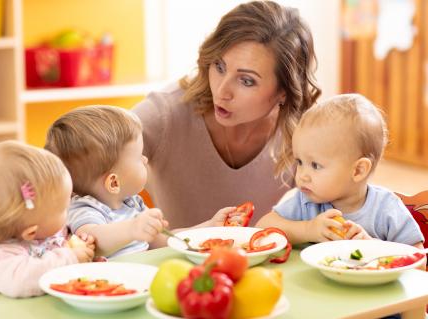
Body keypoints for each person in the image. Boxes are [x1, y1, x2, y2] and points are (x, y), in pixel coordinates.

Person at [133, 0, 321, 228]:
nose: (221, 92)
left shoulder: (304, 132)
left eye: (246, 81)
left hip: (257, 261)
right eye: (219, 67)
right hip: (171, 262)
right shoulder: (165, 113)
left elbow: (343, 203)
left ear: (283, 91)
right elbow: (89, 157)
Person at [45, 105, 234, 256]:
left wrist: (206, 228)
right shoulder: (84, 209)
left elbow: (160, 241)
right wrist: (133, 228)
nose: (145, 159)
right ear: (114, 183)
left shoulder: (131, 202)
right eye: (138, 156)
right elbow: (93, 241)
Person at [255, 94, 424, 248]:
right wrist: (307, 229)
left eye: (315, 165)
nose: (302, 175)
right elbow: (262, 227)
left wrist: (372, 246)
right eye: (300, 162)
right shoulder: (305, 202)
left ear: (358, 170)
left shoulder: (387, 208)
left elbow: (418, 259)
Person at [0, 141, 95, 298]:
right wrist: (70, 257)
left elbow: (51, 247)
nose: (69, 212)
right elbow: (21, 282)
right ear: (30, 232)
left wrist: (75, 244)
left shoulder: (39, 231)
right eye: (63, 209)